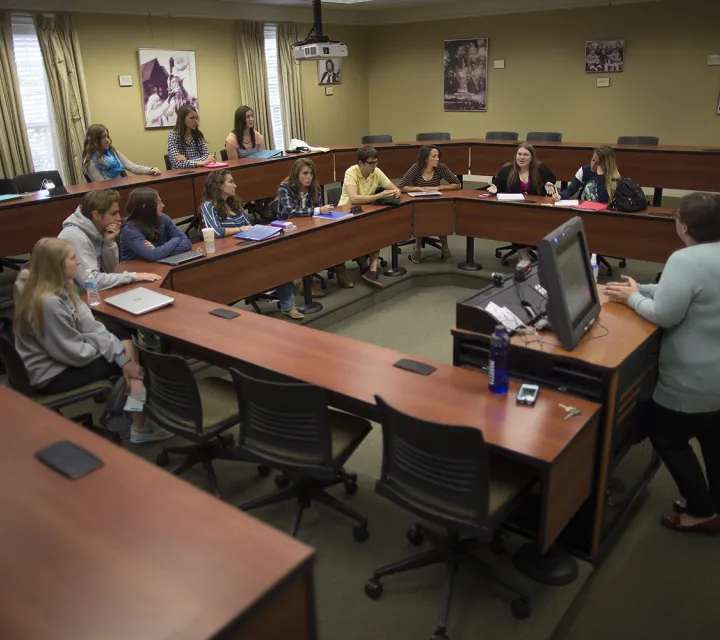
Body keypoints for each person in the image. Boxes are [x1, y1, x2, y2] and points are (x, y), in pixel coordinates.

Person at [605, 192, 720, 534]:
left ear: (684, 226)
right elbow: (697, 293)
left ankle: (701, 511)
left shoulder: (685, 260)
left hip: (690, 382)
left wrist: (633, 298)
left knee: (667, 437)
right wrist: (645, 289)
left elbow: (666, 315)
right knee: (714, 442)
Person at [13, 238, 173, 444]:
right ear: (57, 265)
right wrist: (120, 358)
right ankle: (138, 423)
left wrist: (118, 355)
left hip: (65, 357)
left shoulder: (62, 286)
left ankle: (133, 414)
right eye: (73, 258)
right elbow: (76, 354)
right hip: (52, 375)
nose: (79, 261)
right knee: (136, 366)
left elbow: (90, 325)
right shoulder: (48, 304)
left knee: (121, 339)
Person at [200, 170, 304, 320]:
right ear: (219, 186)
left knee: (280, 258)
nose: (235, 185)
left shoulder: (235, 203)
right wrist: (241, 229)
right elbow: (216, 231)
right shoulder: (208, 206)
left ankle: (288, 306)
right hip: (228, 253)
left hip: (248, 244)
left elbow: (249, 225)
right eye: (230, 182)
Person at [58, 189, 161, 291]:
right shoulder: (74, 236)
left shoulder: (99, 230)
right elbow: (91, 281)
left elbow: (110, 271)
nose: (119, 218)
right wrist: (133, 276)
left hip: (91, 296)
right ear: (96, 215)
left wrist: (109, 243)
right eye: (113, 214)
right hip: (74, 301)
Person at [337, 146, 402, 288]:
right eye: (371, 163)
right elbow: (354, 199)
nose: (374, 166)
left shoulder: (376, 172)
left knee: (377, 229)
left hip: (366, 212)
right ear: (360, 163)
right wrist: (379, 195)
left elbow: (394, 188)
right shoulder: (351, 172)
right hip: (346, 213)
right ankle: (347, 267)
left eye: (376, 163)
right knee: (362, 233)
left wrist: (395, 192)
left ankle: (372, 270)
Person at [487, 143, 558, 262]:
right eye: (519, 154)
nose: (521, 157)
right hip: (514, 210)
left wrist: (547, 184)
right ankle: (524, 258)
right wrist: (495, 189)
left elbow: (551, 178)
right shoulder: (507, 170)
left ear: (531, 157)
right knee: (515, 224)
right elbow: (498, 185)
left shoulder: (540, 168)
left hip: (535, 209)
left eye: (525, 154)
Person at [275, 158, 334, 296]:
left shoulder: (315, 188)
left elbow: (316, 210)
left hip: (308, 226)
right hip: (287, 229)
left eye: (311, 174)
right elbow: (292, 211)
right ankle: (306, 282)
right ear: (296, 174)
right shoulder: (285, 187)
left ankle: (333, 271)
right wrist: (318, 210)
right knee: (308, 246)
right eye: (305, 173)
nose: (309, 177)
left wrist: (319, 211)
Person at [399, 145, 461, 263]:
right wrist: (420, 189)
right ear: (426, 159)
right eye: (434, 156)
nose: (437, 159)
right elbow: (401, 187)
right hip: (419, 203)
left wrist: (438, 187)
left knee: (442, 214)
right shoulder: (416, 168)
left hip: (435, 201)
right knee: (421, 216)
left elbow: (457, 184)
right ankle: (417, 248)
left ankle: (445, 248)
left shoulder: (440, 168)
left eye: (438, 156)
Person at [120, 188, 192, 262]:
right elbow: (152, 256)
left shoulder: (163, 218)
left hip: (158, 266)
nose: (163, 205)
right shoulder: (130, 230)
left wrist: (158, 251)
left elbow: (187, 243)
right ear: (145, 207)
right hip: (135, 271)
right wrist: (175, 240)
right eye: (158, 202)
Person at [82, 124, 161, 182]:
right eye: (103, 137)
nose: (107, 140)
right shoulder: (90, 162)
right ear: (95, 140)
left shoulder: (113, 153)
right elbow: (101, 187)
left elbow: (132, 167)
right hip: (107, 197)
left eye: (107, 136)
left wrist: (150, 170)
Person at [553, 145, 620, 203]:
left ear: (606, 165)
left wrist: (601, 177)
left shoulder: (614, 175)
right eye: (593, 160)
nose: (593, 165)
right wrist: (560, 195)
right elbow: (571, 190)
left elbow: (603, 199)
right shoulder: (584, 170)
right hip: (584, 208)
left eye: (597, 163)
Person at [167, 105, 215, 169]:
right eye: (192, 118)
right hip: (182, 175)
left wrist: (187, 161)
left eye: (196, 118)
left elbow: (207, 156)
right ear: (182, 119)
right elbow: (178, 163)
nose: (196, 121)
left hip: (199, 172)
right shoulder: (173, 137)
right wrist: (201, 162)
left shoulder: (198, 135)